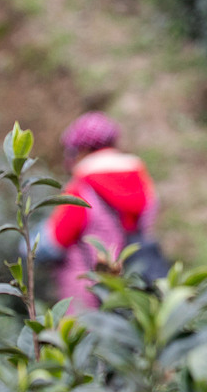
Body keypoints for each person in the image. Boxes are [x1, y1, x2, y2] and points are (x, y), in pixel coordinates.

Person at [38, 112, 160, 313]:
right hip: (133, 285)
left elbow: (55, 242)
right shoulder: (142, 181)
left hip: (87, 297)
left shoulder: (82, 190)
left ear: (84, 150)